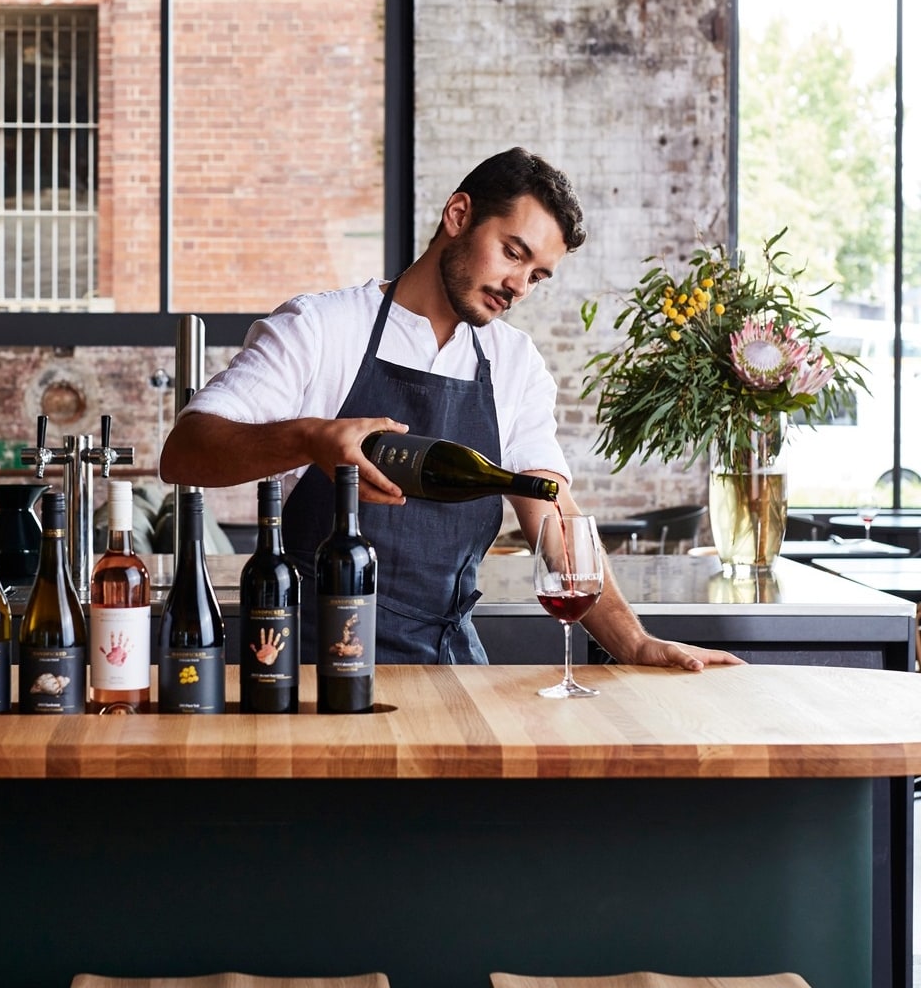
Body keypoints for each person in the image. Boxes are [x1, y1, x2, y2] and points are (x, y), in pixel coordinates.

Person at [160, 146, 740, 671]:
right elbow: (185, 453)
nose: (518, 286)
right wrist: (309, 439)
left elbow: (553, 511)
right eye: (513, 253)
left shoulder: (514, 362)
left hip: (453, 667)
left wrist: (634, 643)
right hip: (317, 669)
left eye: (537, 276)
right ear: (458, 215)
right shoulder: (322, 329)